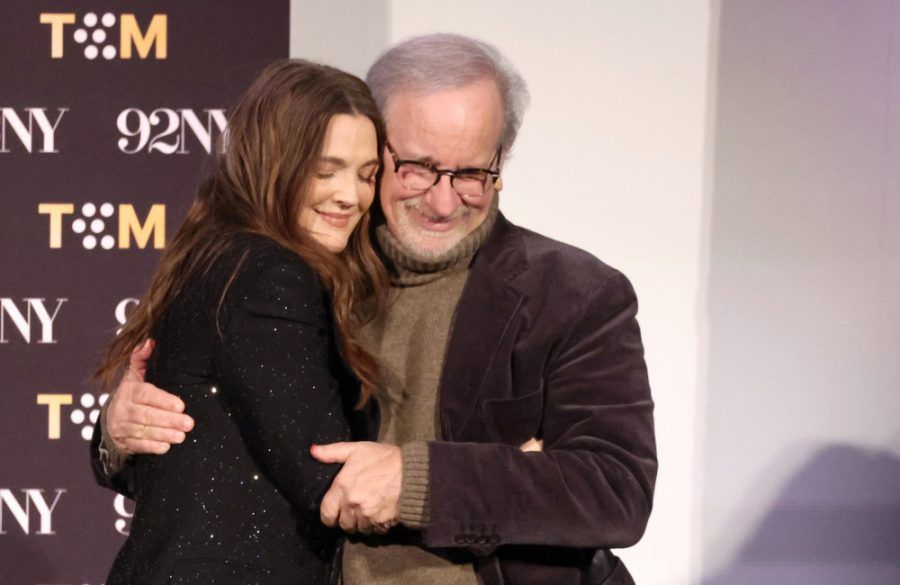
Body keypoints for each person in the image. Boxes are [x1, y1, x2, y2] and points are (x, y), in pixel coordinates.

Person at [96, 34, 657, 585]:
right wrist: (117, 437)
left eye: (470, 174)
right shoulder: (308, 266)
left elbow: (615, 490)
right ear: (377, 146)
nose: (442, 200)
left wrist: (424, 481)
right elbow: (238, 455)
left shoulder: (574, 293)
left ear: (501, 159)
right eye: (417, 167)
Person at [90, 59, 389, 584]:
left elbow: (198, 447)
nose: (351, 195)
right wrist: (484, 473)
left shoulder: (214, 255)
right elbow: (324, 474)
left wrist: (112, 439)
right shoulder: (272, 274)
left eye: (367, 175)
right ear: (274, 161)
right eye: (326, 171)